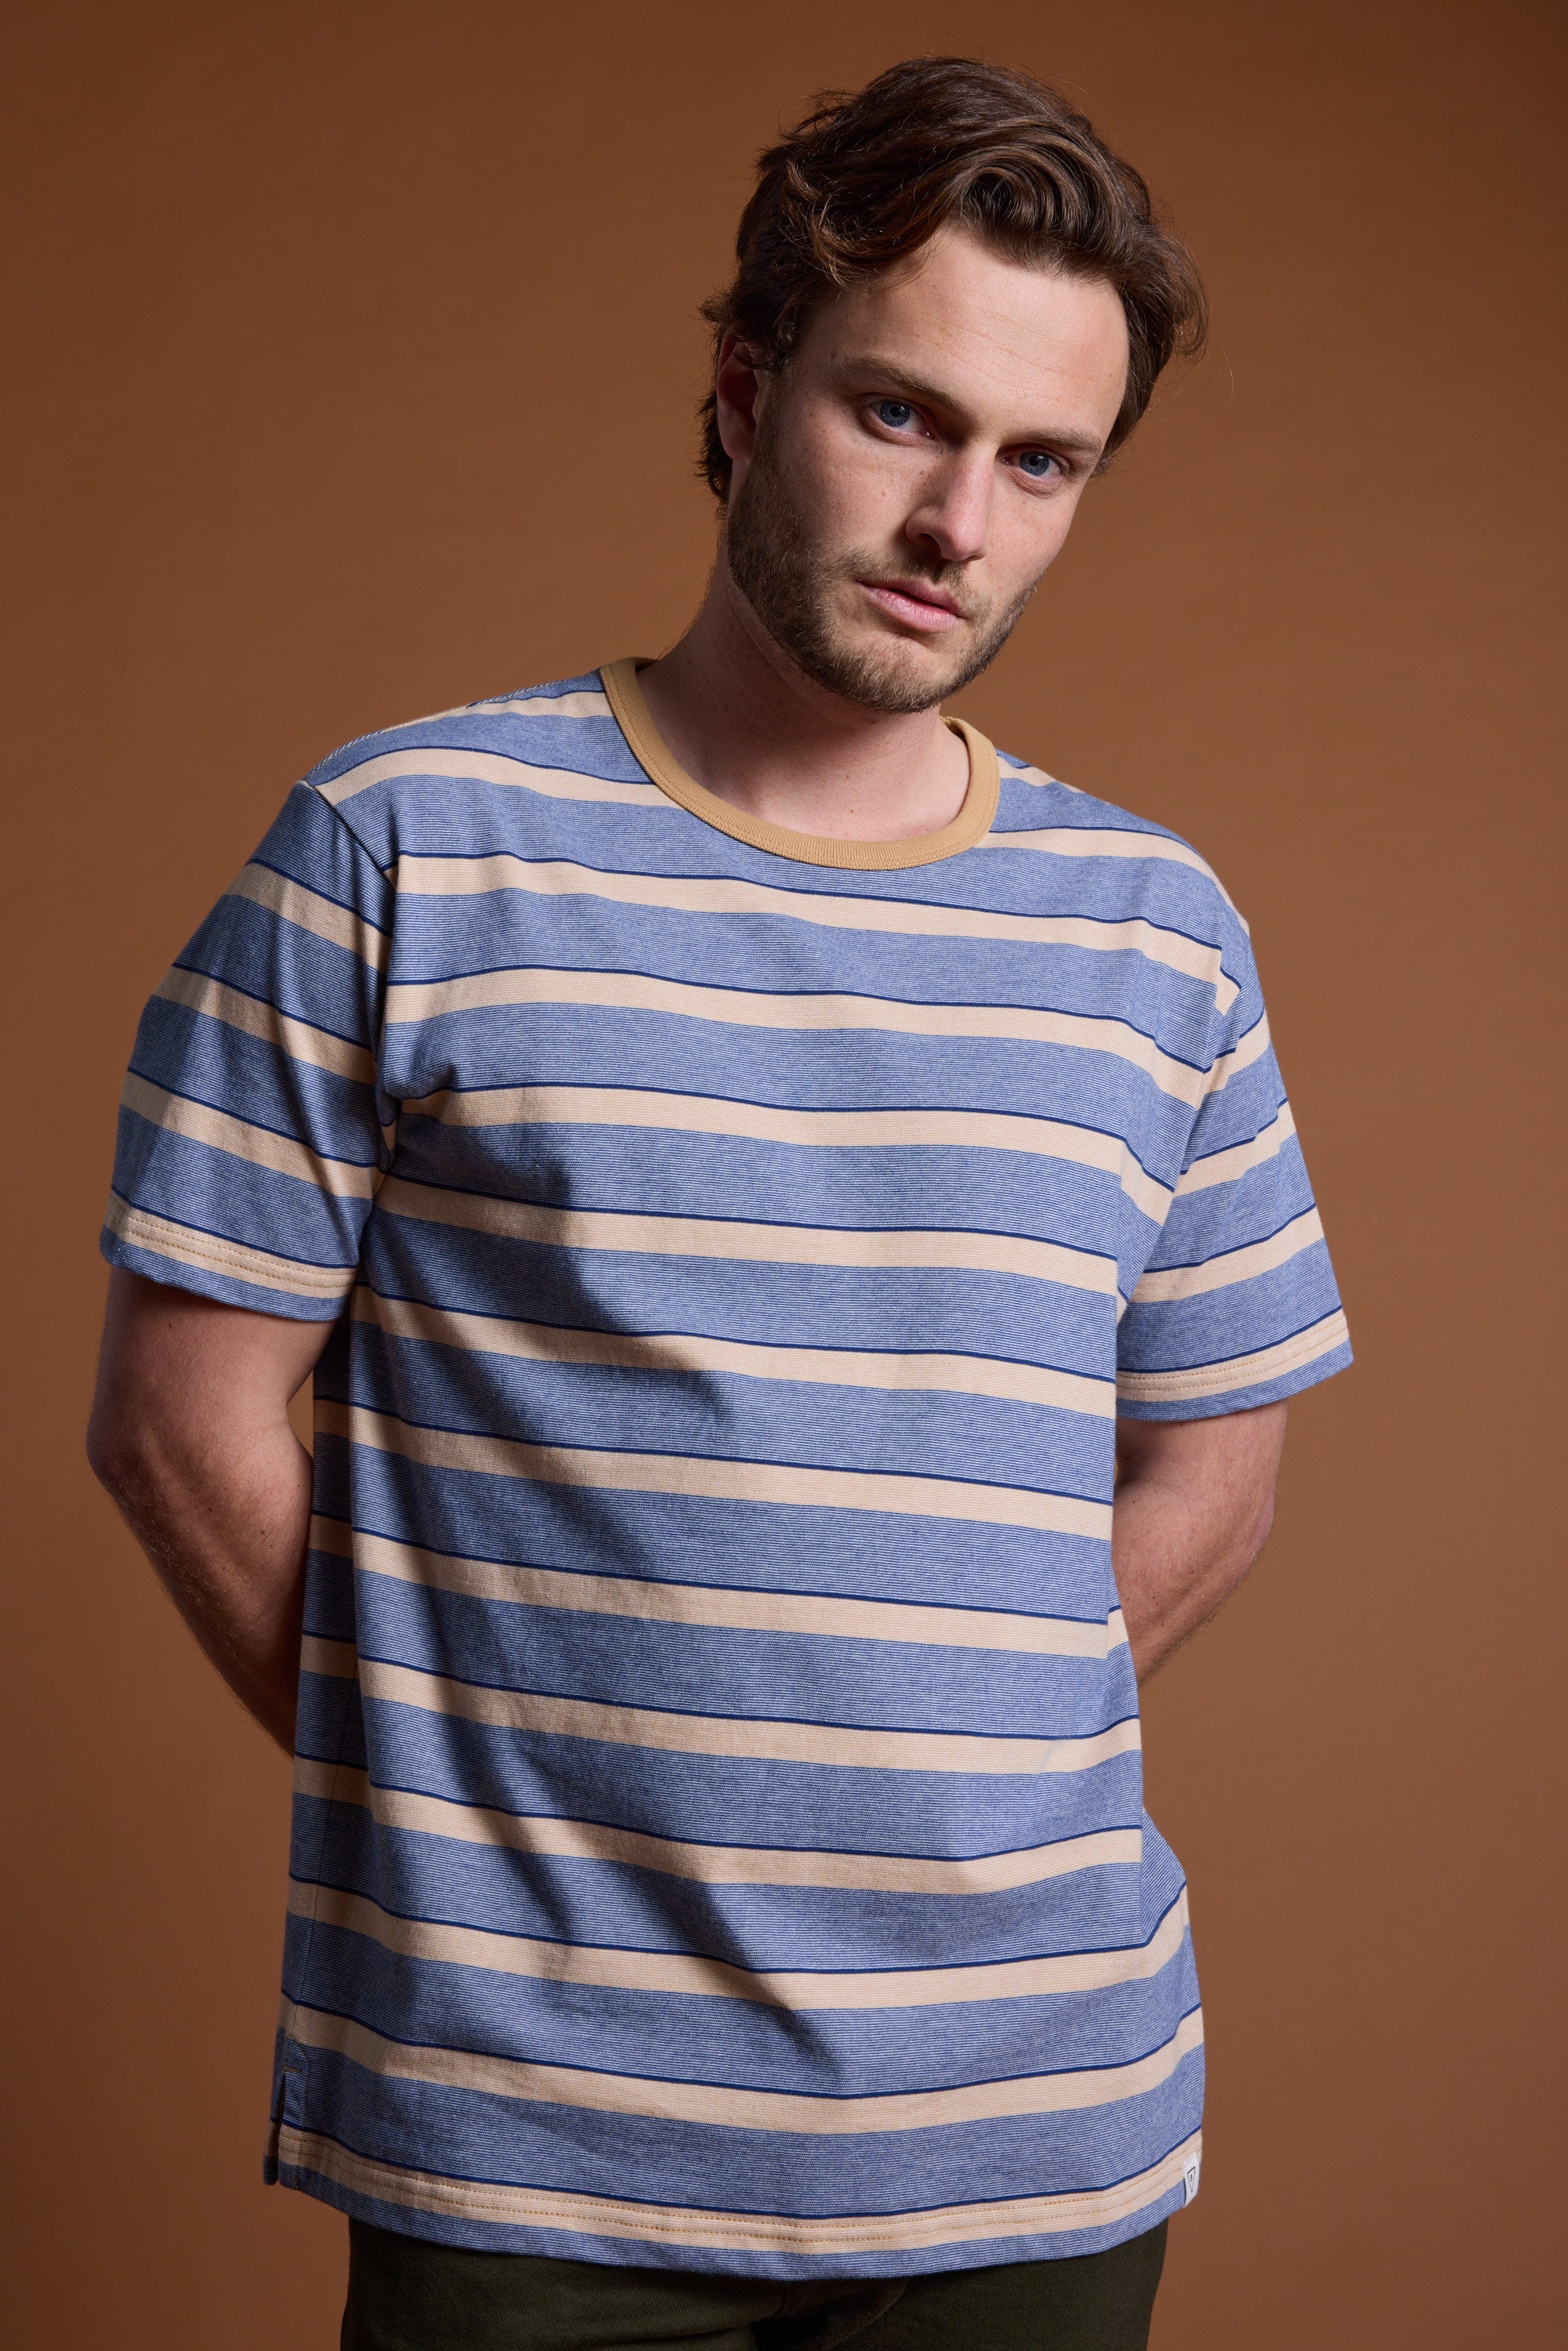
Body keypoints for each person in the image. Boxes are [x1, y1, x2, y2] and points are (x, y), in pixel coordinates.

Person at [87, 56, 1351, 2351]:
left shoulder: (1156, 933)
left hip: (1036, 2143)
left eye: (1038, 461)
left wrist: (917, 1773)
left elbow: (1217, 1467)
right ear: (748, 386)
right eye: (901, 417)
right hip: (527, 2148)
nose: (958, 518)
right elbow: (179, 1422)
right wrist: (499, 1813)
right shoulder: (404, 845)